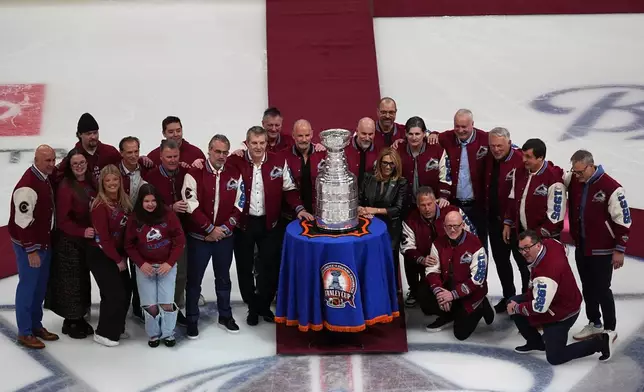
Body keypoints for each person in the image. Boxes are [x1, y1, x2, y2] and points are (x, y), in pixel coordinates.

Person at [228, 126, 314, 326]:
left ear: (267, 143)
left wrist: (299, 209)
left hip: (270, 223)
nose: (258, 147)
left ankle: (264, 305)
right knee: (244, 267)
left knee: (270, 266)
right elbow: (219, 169)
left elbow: (290, 189)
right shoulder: (235, 161)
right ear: (247, 143)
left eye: (262, 143)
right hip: (244, 224)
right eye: (254, 143)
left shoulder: (278, 161)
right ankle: (252, 306)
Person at [507, 230, 616, 364]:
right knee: (512, 301)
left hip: (563, 312)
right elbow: (564, 249)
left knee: (555, 357)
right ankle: (535, 342)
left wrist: (517, 309)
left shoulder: (545, 274)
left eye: (527, 248)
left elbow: (539, 308)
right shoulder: (551, 243)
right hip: (565, 298)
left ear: (538, 245)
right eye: (521, 249)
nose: (524, 252)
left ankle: (600, 343)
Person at [182, 134, 245, 338]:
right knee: (194, 281)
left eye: (225, 152)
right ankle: (192, 319)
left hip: (223, 239)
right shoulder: (194, 172)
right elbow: (191, 204)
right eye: (217, 151)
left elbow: (240, 204)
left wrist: (223, 230)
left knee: (224, 278)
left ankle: (225, 316)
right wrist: (209, 229)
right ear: (209, 150)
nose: (221, 156)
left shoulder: (235, 174)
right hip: (199, 239)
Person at [564, 150, 631, 341]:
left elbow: (624, 221)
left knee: (602, 289)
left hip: (603, 250)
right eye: (574, 172)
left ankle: (610, 328)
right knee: (587, 287)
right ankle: (594, 322)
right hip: (582, 246)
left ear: (591, 165)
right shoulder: (576, 180)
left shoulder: (611, 187)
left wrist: (620, 249)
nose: (576, 176)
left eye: (580, 172)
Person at [9, 145, 60, 349]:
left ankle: (36, 325)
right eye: (47, 160)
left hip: (43, 241)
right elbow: (22, 220)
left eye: (53, 159)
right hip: (29, 246)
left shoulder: (43, 177)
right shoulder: (28, 186)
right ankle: (25, 331)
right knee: (28, 287)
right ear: (36, 160)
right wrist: (30, 249)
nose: (52, 164)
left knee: (39, 287)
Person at [125, 184, 186, 347]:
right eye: (146, 201)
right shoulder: (135, 218)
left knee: (166, 302)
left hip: (167, 267)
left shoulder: (169, 215)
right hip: (145, 268)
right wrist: (141, 264)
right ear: (141, 202)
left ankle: (168, 333)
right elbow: (129, 245)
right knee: (150, 304)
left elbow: (179, 241)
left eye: (153, 200)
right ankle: (153, 335)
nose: (150, 204)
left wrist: (170, 263)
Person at [419, 210, 494, 337]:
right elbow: (432, 270)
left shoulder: (475, 244)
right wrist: (439, 293)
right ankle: (448, 314)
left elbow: (478, 279)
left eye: (456, 226)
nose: (452, 230)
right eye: (449, 226)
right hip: (448, 287)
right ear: (444, 227)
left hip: (470, 292)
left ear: (463, 225)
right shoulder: (438, 243)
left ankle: (482, 305)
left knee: (461, 333)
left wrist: (452, 295)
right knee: (423, 293)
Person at [46, 149, 96, 339]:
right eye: (75, 164)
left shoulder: (90, 182)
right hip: (69, 243)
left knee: (82, 280)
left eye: (82, 162)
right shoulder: (67, 187)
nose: (79, 166)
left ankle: (78, 316)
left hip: (84, 242)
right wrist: (82, 231)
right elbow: (63, 220)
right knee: (72, 283)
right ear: (69, 166)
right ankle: (72, 320)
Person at [400, 187, 476, 308]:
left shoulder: (453, 212)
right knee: (410, 260)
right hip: (427, 261)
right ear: (417, 206)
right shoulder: (410, 220)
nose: (427, 208)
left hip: (454, 259)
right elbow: (406, 247)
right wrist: (421, 259)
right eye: (423, 205)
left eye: (429, 204)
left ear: (436, 201)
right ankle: (414, 291)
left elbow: (472, 235)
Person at [503, 138, 566, 277]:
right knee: (526, 275)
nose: (523, 159)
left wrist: (534, 238)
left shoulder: (553, 179)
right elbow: (512, 199)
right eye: (523, 155)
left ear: (540, 157)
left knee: (544, 276)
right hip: (524, 236)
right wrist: (508, 223)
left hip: (544, 241)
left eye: (528, 157)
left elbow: (555, 218)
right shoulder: (519, 171)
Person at [144, 139, 190, 325]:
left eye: (176, 156)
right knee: (156, 274)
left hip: (181, 233)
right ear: (161, 156)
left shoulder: (187, 173)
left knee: (180, 273)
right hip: (157, 235)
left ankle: (175, 308)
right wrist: (170, 207)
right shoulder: (152, 177)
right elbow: (146, 205)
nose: (172, 160)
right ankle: (152, 309)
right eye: (169, 157)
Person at [485, 127, 529, 313]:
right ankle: (509, 297)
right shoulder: (488, 157)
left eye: (500, 146)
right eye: (493, 145)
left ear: (509, 143)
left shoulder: (521, 159)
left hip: (516, 226)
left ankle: (527, 300)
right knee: (501, 263)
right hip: (494, 222)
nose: (496, 149)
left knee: (523, 264)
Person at [89, 164, 133, 347]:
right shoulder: (99, 206)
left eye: (115, 179)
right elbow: (103, 238)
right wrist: (117, 260)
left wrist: (124, 256)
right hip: (100, 254)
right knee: (113, 293)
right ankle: (104, 332)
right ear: (102, 183)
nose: (112, 183)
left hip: (117, 254)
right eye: (108, 180)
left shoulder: (124, 201)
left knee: (126, 289)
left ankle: (117, 326)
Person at [358, 147, 408, 272]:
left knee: (388, 263)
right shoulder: (368, 177)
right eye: (385, 163)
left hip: (390, 228)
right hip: (368, 225)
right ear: (379, 163)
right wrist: (360, 210)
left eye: (392, 164)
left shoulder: (401, 183)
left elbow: (398, 209)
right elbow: (358, 200)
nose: (388, 166)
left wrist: (374, 210)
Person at [398, 116, 451, 209]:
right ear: (405, 134)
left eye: (417, 134)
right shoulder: (398, 150)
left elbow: (445, 177)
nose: (414, 138)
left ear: (424, 133)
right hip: (404, 205)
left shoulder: (437, 150)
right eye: (410, 134)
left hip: (431, 205)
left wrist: (443, 196)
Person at [56, 113, 121, 183]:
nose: (93, 137)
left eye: (95, 133)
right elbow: (59, 178)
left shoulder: (110, 152)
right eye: (89, 134)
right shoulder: (73, 156)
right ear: (79, 134)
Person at [345, 117, 379, 188]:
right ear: (357, 131)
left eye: (370, 134)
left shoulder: (379, 151)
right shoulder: (344, 149)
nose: (367, 138)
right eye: (364, 134)